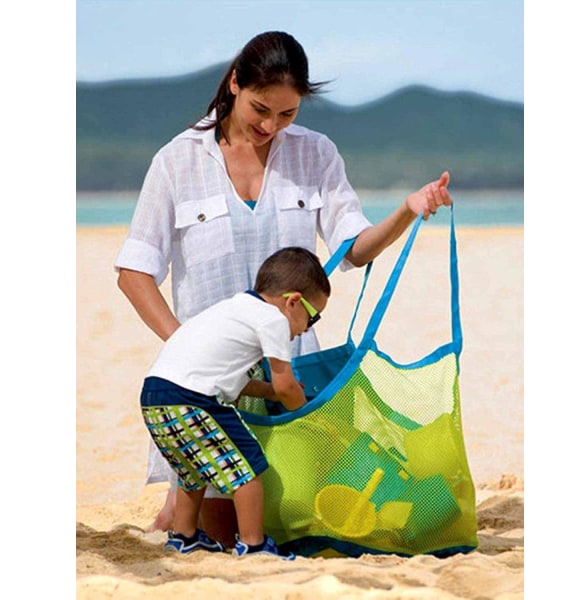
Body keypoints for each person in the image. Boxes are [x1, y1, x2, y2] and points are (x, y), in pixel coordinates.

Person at [115, 30, 452, 536]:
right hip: (210, 386)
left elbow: (353, 249)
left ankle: (180, 509)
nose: (271, 126)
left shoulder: (316, 154)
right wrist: (186, 347)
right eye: (260, 110)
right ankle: (179, 508)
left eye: (287, 114)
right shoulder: (176, 161)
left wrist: (407, 209)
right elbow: (134, 272)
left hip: (288, 372)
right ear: (234, 84)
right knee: (225, 531)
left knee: (302, 525)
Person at [140, 247, 330, 559]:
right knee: (248, 465)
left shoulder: (236, 308)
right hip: (192, 400)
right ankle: (254, 544)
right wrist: (306, 411)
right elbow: (286, 387)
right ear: (293, 301)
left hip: (155, 395)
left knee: (192, 469)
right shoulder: (274, 320)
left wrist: (269, 391)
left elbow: (238, 385)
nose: (307, 329)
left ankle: (185, 536)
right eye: (312, 317)